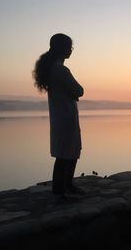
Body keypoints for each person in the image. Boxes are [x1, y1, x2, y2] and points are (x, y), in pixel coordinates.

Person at [33, 33, 85, 198]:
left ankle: (67, 185)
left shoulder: (53, 68)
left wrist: (72, 93)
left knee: (70, 151)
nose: (71, 50)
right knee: (65, 154)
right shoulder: (60, 70)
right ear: (62, 49)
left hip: (62, 115)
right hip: (65, 116)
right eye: (69, 46)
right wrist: (74, 93)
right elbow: (79, 90)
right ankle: (60, 190)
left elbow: (71, 91)